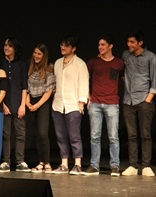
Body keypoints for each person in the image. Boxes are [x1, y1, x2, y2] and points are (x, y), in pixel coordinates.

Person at [82, 34, 124, 177]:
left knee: (113, 136)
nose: (100, 47)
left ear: (110, 46)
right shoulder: (93, 62)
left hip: (112, 103)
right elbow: (84, 79)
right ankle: (94, 166)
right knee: (94, 136)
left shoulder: (119, 63)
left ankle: (115, 166)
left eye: (103, 45)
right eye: (99, 45)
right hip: (95, 103)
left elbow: (123, 79)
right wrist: (87, 95)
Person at [51, 35, 89, 175]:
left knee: (74, 136)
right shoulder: (57, 63)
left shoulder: (80, 64)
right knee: (60, 135)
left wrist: (81, 102)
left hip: (73, 104)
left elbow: (84, 83)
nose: (62, 48)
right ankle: (64, 164)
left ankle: (77, 164)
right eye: (61, 45)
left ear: (73, 48)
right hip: (58, 104)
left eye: (66, 45)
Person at [121, 31, 156, 177]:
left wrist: (149, 97)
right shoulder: (126, 55)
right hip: (128, 100)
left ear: (140, 43)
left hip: (143, 100)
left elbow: (154, 79)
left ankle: (146, 165)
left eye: (132, 42)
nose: (129, 45)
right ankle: (133, 165)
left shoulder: (151, 57)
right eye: (128, 42)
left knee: (145, 134)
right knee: (131, 135)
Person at [0, 37, 31, 173]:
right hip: (4, 104)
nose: (6, 48)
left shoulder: (22, 65)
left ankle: (20, 161)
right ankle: (5, 161)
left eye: (10, 46)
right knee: (5, 134)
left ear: (15, 49)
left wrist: (23, 104)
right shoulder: (0, 64)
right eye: (5, 45)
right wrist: (3, 104)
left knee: (20, 134)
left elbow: (24, 86)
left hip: (18, 103)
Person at [26, 43, 56, 173]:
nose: (36, 56)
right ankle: (40, 162)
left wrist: (38, 105)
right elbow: (26, 87)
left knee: (43, 133)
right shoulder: (31, 68)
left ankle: (47, 162)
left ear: (44, 56)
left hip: (43, 102)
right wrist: (27, 102)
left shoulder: (49, 68)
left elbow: (49, 90)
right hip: (31, 101)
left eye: (39, 54)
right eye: (35, 53)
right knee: (36, 134)